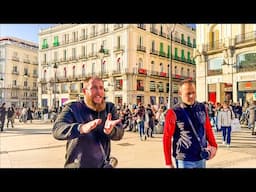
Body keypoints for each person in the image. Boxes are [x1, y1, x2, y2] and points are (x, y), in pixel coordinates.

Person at [52, 76, 124, 168]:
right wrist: (80, 128)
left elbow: (120, 133)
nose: (99, 92)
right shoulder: (73, 108)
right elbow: (57, 129)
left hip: (102, 165)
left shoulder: (109, 108)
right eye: (94, 88)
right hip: (77, 165)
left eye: (101, 88)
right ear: (84, 91)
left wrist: (111, 131)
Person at [163, 79, 218, 168]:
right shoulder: (173, 112)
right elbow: (167, 138)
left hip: (201, 156)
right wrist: (168, 162)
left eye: (193, 92)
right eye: (188, 93)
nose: (192, 96)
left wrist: (214, 145)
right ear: (180, 94)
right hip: (184, 158)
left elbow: (207, 128)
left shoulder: (202, 107)